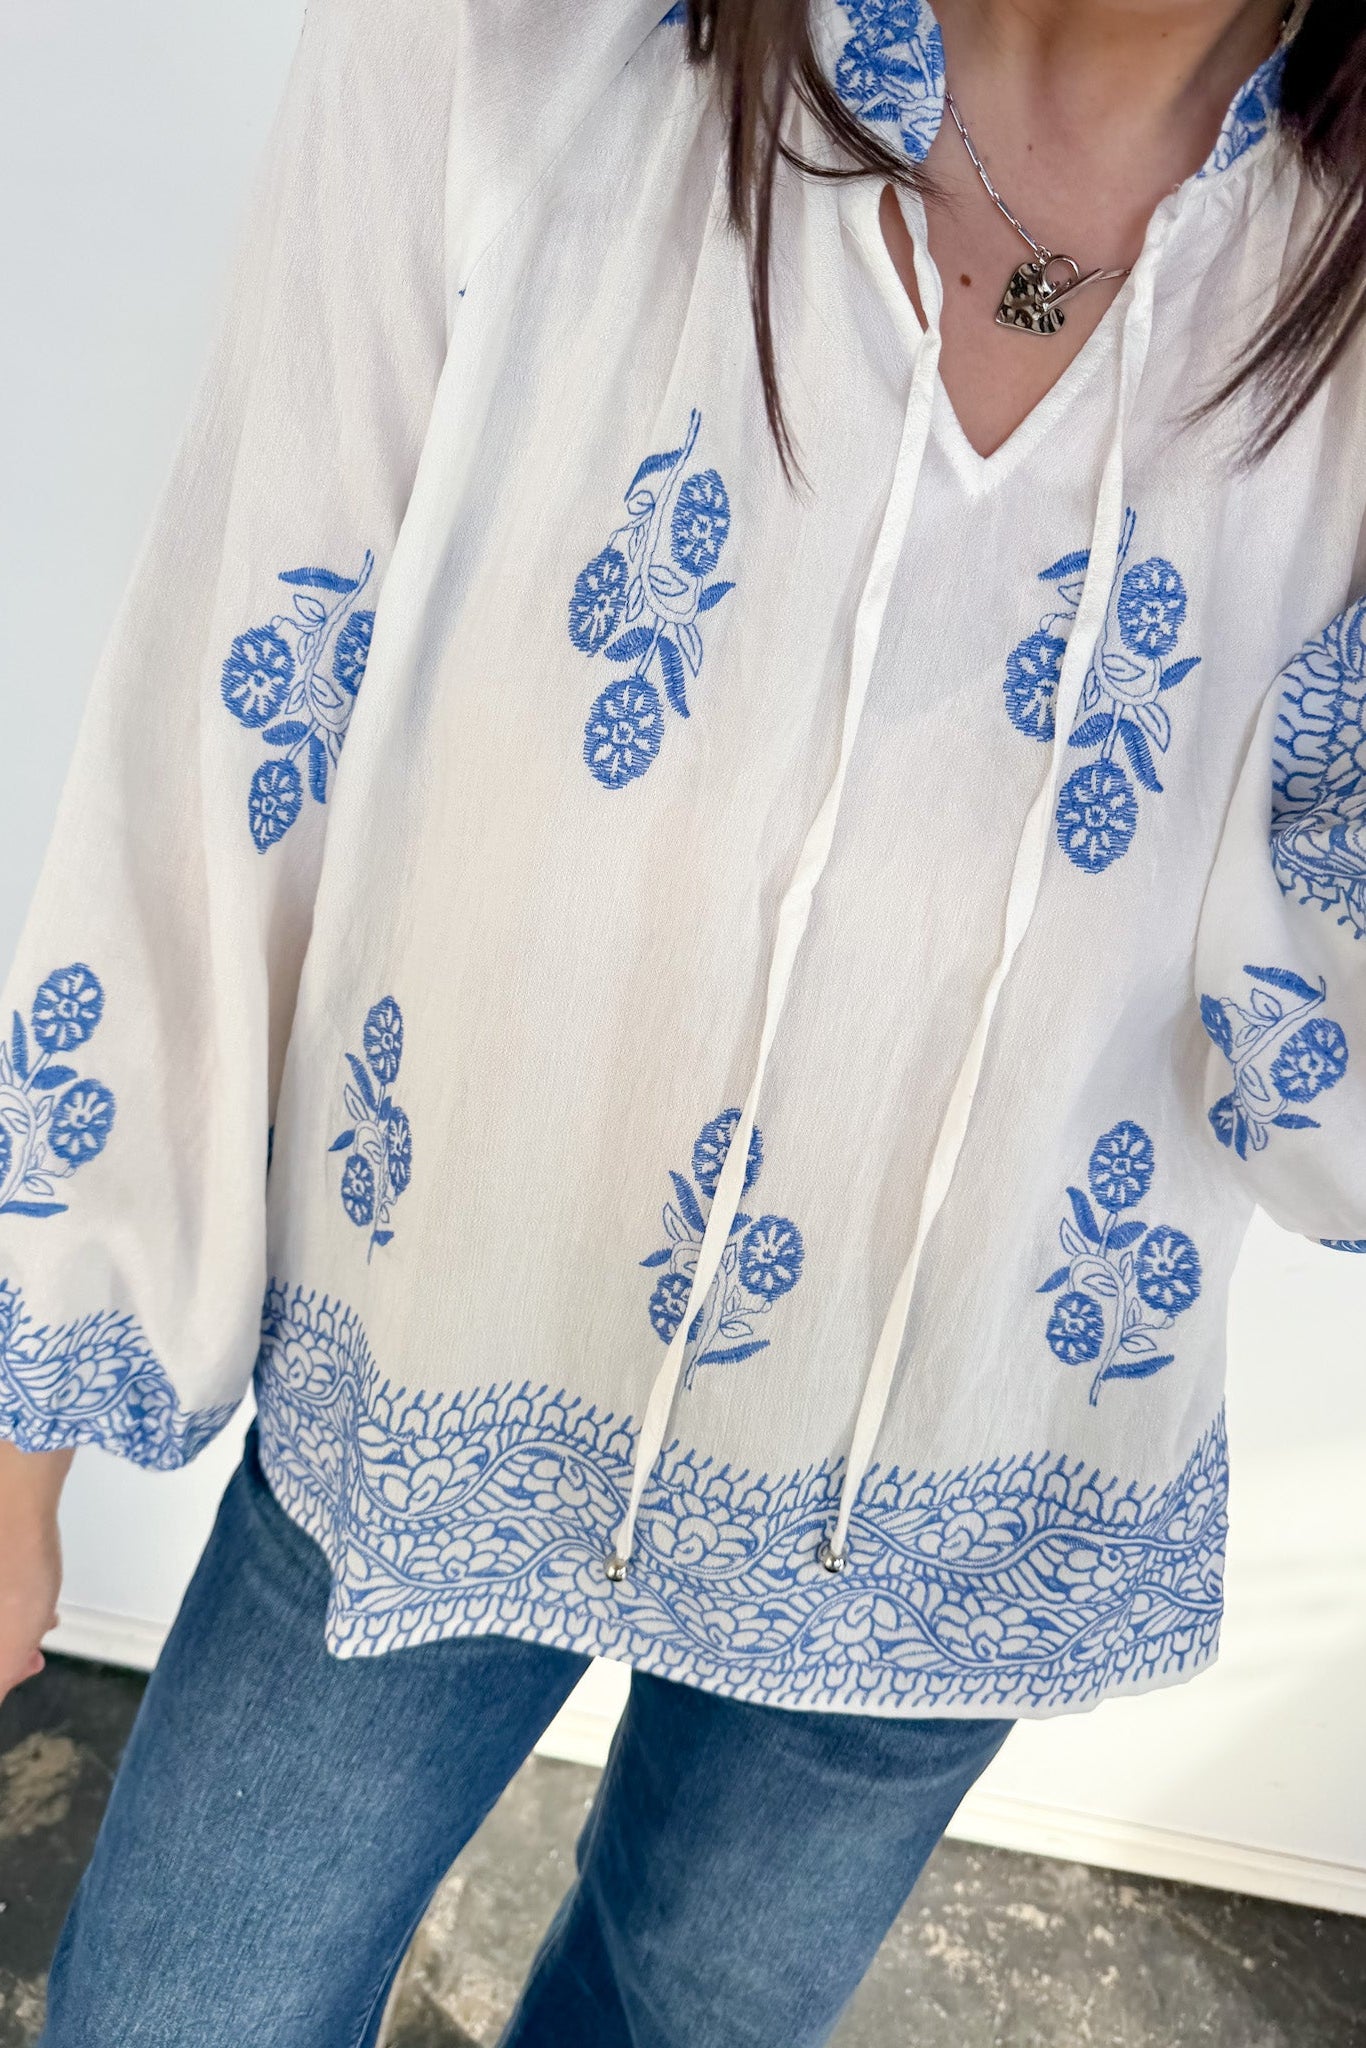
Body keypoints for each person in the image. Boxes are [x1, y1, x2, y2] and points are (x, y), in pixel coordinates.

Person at [2, 0, 1363, 2040]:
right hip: (440, 1366)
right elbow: (238, 695)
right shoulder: (521, 45)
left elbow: (1315, 1103)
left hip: (970, 1465)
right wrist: (25, 1399)